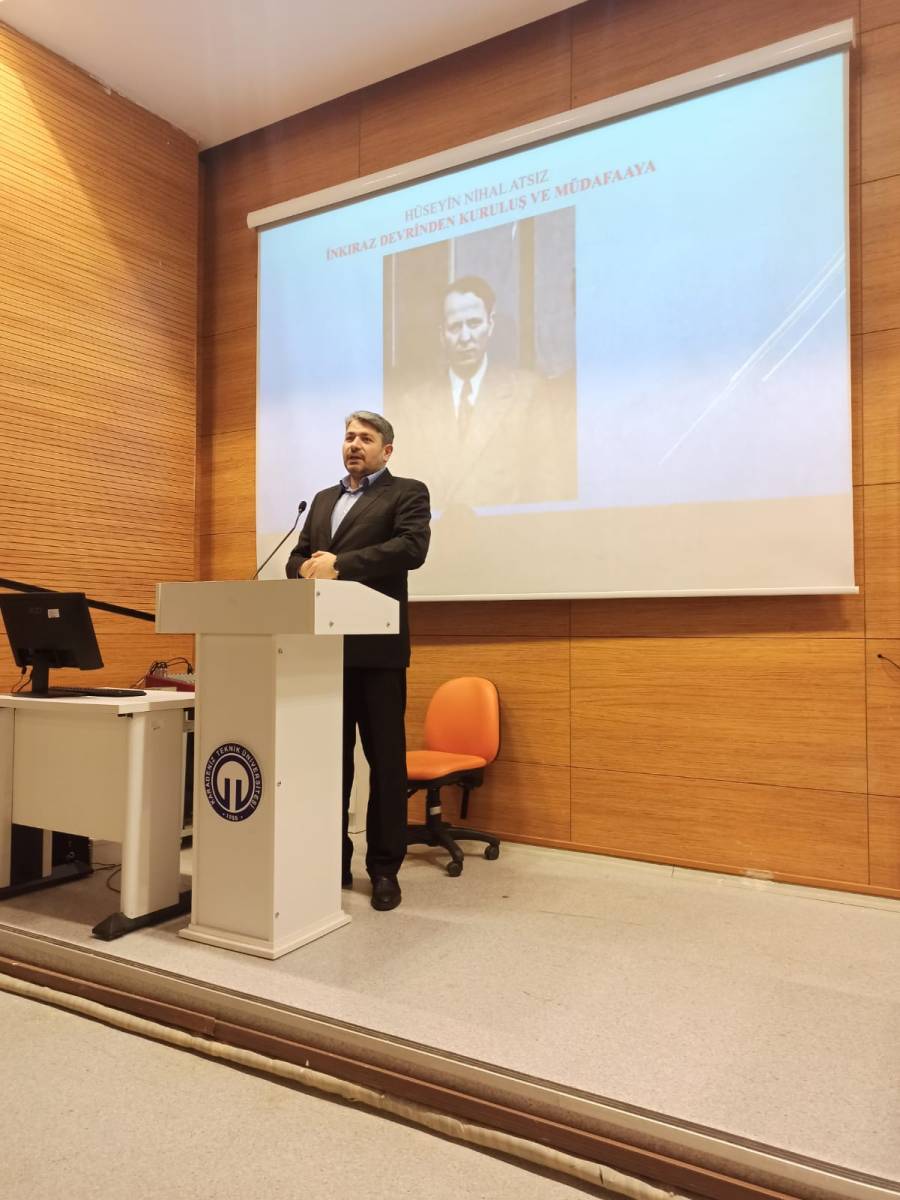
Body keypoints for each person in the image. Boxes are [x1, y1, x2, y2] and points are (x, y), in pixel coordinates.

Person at [285, 412, 430, 912]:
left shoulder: (406, 492)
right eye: (349, 436)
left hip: (378, 651)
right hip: (323, 652)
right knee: (332, 764)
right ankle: (334, 862)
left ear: (386, 451)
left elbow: (411, 548)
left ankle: (384, 869)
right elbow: (298, 557)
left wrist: (341, 564)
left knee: (386, 764)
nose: (354, 444)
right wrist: (304, 569)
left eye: (366, 438)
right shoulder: (323, 499)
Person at [387, 274, 576, 508]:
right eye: (455, 327)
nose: (465, 337)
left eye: (474, 323)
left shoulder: (527, 393)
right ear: (442, 334)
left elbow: (548, 490)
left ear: (490, 325)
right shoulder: (413, 406)